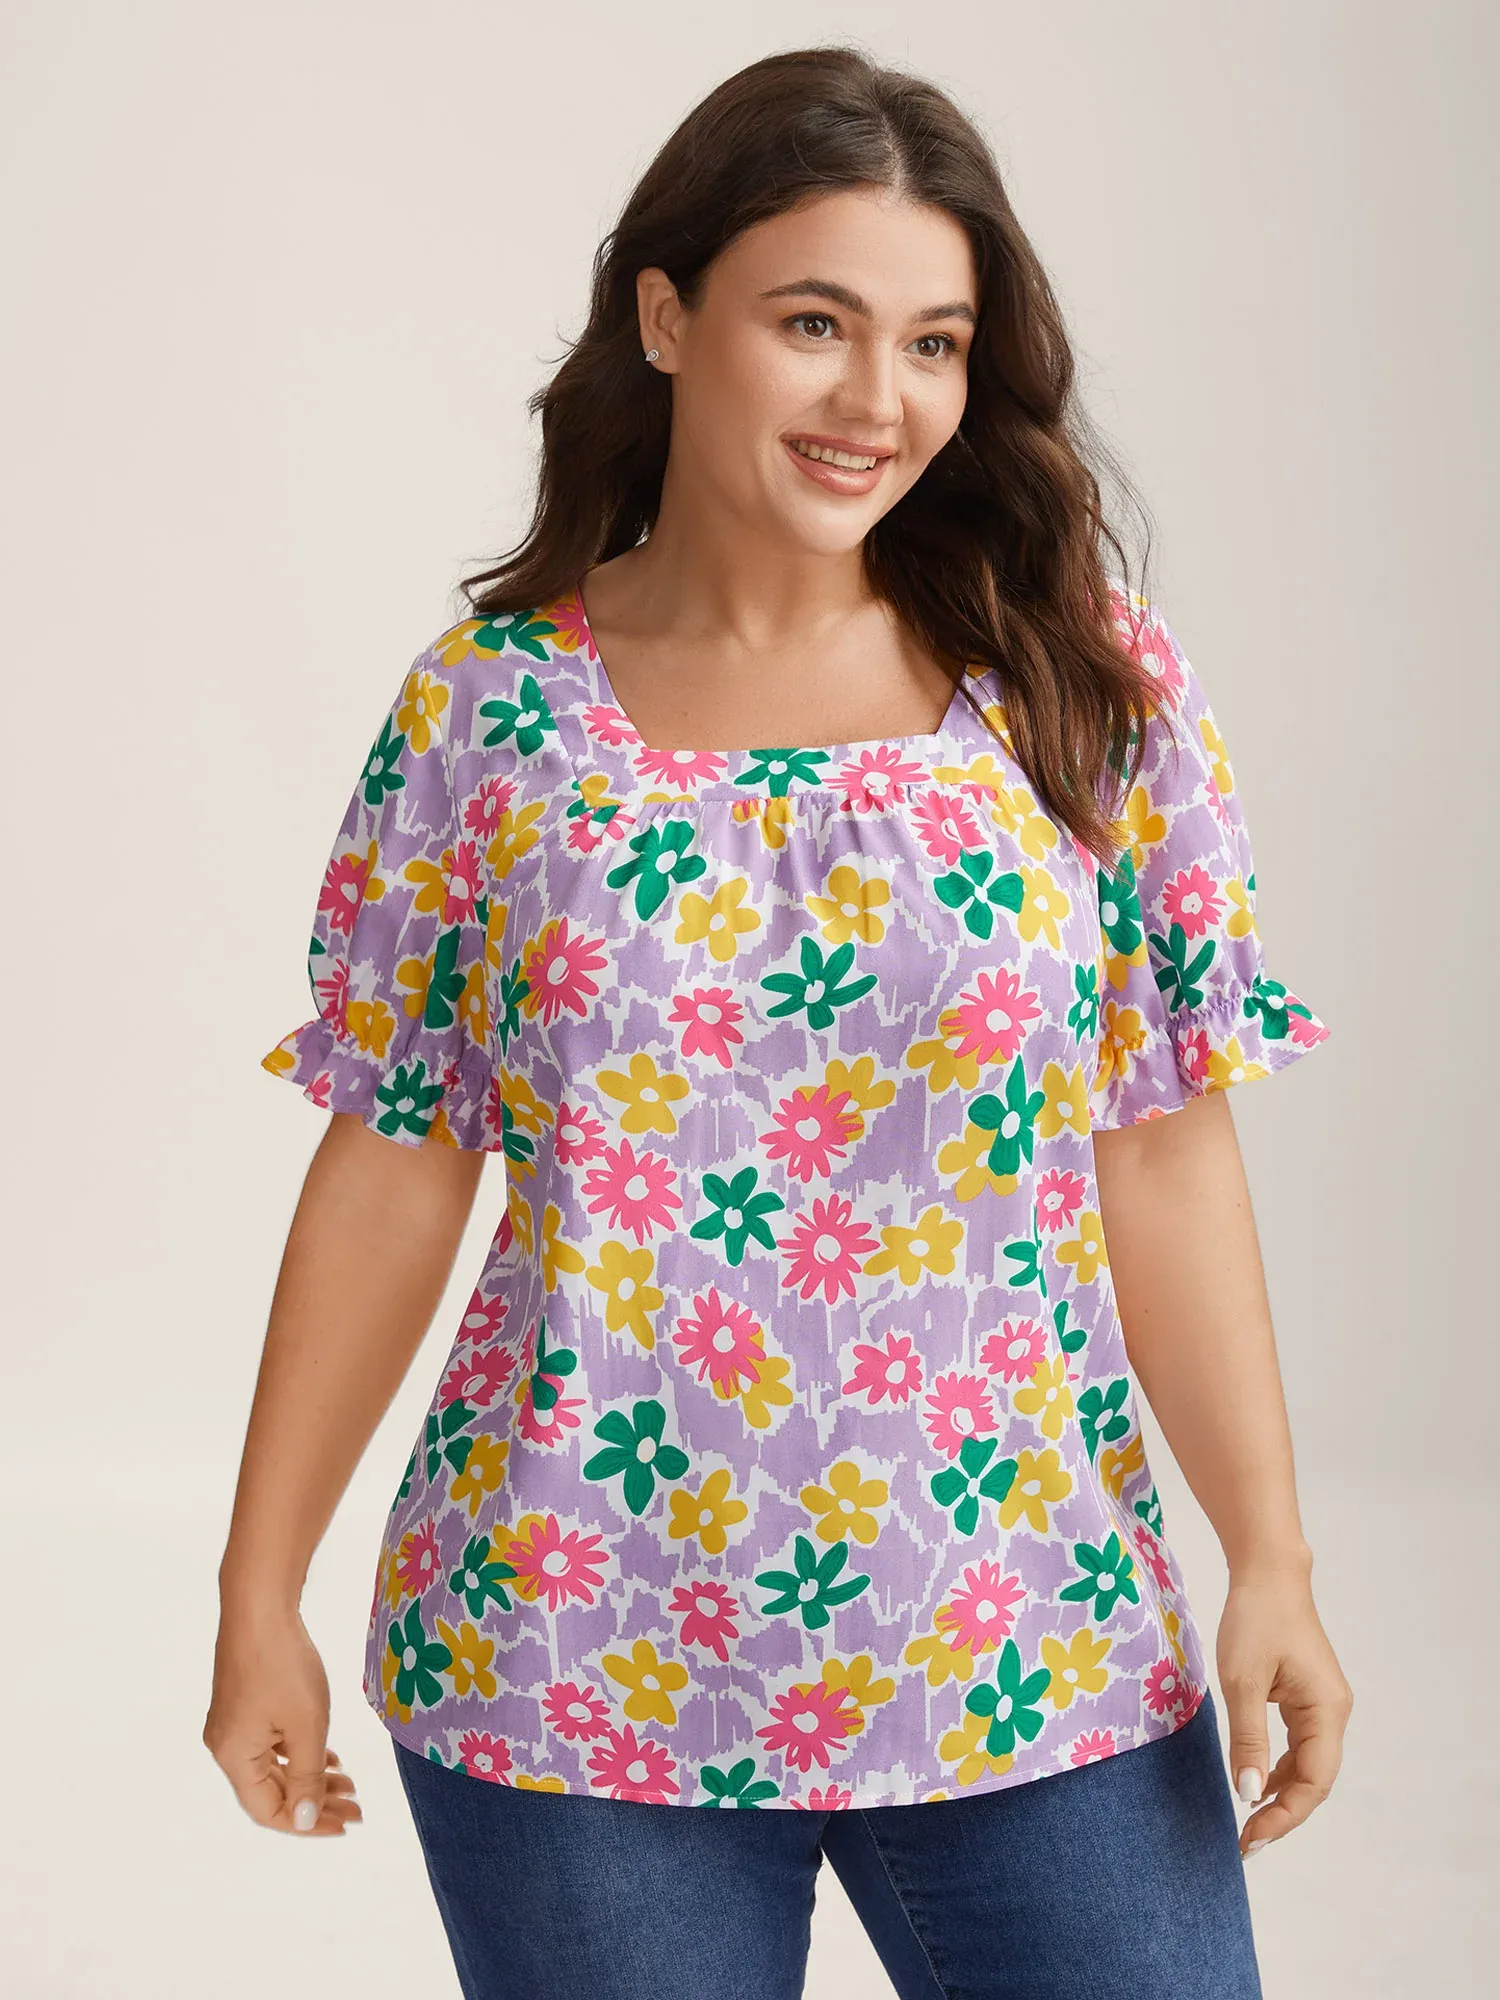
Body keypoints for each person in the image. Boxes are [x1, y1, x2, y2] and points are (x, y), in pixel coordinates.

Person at [205, 43, 1352, 2000]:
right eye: (815, 323)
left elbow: (1159, 1145)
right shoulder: (489, 714)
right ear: (667, 315)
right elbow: (394, 1167)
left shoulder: (1081, 687)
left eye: (934, 343)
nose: (878, 400)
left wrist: (1273, 1559)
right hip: (570, 1648)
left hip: (1031, 1635)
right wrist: (259, 1592)